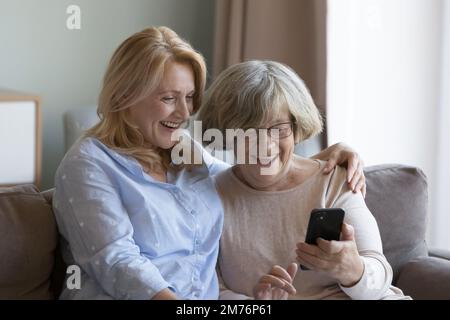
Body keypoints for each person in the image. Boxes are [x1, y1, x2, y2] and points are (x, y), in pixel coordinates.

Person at [53, 26, 366, 300]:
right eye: (168, 98)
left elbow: (247, 170)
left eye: (189, 98)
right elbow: (116, 260)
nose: (184, 113)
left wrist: (318, 160)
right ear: (125, 97)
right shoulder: (88, 165)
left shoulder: (184, 150)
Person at [197, 60, 409, 300]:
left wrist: (353, 270)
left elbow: (380, 277)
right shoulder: (209, 196)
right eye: (248, 131)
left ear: (296, 128)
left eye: (278, 128)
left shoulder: (333, 180)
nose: (265, 145)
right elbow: (208, 288)